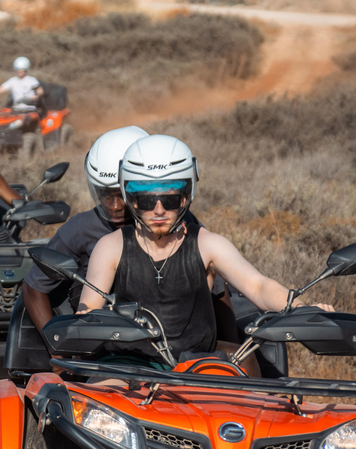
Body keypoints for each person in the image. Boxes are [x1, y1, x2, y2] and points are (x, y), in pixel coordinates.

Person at [78, 135, 333, 375]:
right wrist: (82, 322)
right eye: (146, 201)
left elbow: (259, 285)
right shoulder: (110, 247)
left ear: (185, 198)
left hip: (197, 369)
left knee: (246, 415)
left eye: (169, 200)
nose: (158, 211)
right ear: (131, 199)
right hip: (126, 366)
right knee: (92, 405)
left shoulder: (208, 244)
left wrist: (302, 309)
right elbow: (88, 309)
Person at [22, 126, 149, 335]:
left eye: (123, 195)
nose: (115, 206)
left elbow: (215, 292)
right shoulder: (81, 228)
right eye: (106, 195)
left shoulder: (174, 225)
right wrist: (57, 347)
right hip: (101, 343)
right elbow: (33, 288)